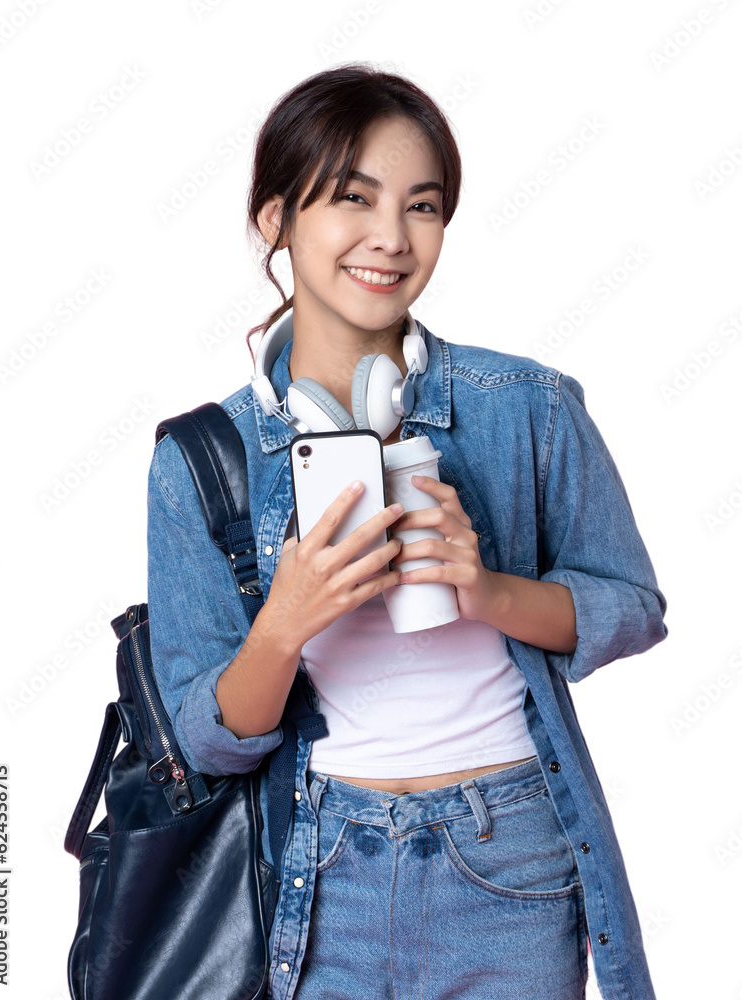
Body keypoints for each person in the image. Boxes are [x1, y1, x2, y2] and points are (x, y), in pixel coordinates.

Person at [146, 63, 668, 1000]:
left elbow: (632, 609)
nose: (392, 238)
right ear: (275, 220)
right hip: (320, 872)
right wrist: (284, 624)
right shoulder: (204, 460)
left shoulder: (528, 408)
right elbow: (209, 741)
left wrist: (490, 589)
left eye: (422, 207)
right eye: (354, 198)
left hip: (510, 860)